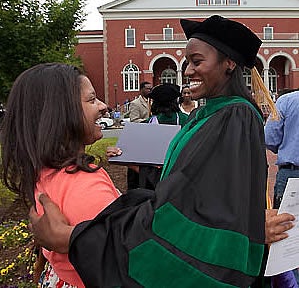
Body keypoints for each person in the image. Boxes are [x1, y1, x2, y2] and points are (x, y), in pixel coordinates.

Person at [29, 15, 275, 287]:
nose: (188, 71)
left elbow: (198, 207)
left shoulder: (234, 117)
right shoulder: (211, 114)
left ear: (229, 63)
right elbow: (188, 191)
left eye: (197, 61)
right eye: (186, 62)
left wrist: (73, 238)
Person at [0, 63, 121, 287]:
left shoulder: (46, 173)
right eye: (92, 100)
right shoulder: (86, 185)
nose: (104, 106)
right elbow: (122, 261)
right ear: (61, 114)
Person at [264, 89, 299, 284]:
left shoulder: (287, 101)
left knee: (287, 237)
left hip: (292, 174)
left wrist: (288, 144)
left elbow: (269, 138)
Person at [138, 83, 188, 190]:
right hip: (181, 175)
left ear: (155, 103)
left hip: (153, 180)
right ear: (175, 101)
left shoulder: (146, 124)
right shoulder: (188, 121)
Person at [127, 81, 152, 190]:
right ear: (141, 90)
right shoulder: (135, 103)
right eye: (147, 89)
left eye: (151, 89)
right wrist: (149, 121)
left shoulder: (153, 102)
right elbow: (134, 121)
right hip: (140, 138)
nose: (150, 91)